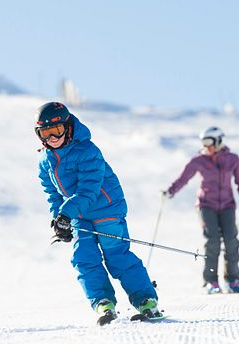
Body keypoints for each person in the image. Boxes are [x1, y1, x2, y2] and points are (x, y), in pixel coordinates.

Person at [36, 102, 161, 325]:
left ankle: (146, 301)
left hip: (106, 210)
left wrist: (65, 214)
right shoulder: (45, 162)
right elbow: (53, 194)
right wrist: (59, 220)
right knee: (84, 258)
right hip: (79, 216)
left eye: (56, 131)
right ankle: (103, 303)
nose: (52, 138)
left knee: (117, 256)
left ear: (69, 128)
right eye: (45, 133)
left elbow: (89, 190)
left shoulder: (88, 151)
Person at [164, 127, 239, 294]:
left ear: (219, 141)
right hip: (206, 205)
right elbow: (183, 178)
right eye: (203, 143)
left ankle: (233, 280)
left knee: (231, 241)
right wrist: (170, 191)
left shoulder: (232, 159)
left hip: (227, 205)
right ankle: (211, 281)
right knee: (212, 241)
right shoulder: (199, 160)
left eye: (209, 142)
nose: (207, 147)